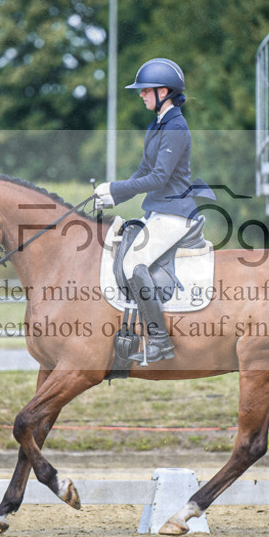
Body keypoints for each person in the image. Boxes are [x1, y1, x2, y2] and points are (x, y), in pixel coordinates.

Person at [94, 58, 204, 363]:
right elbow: (143, 171)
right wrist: (110, 195)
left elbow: (159, 178)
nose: (141, 95)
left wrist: (115, 188)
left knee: (133, 263)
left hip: (175, 213)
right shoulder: (156, 125)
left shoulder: (177, 126)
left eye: (145, 90)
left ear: (164, 91)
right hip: (158, 211)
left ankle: (159, 340)